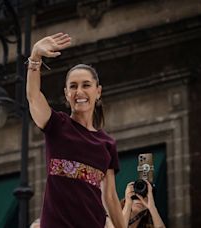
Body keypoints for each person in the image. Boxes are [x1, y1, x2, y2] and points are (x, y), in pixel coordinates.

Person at [26, 33, 129, 228]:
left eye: (86, 85)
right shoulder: (56, 125)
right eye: (73, 86)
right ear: (66, 94)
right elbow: (33, 97)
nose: (79, 92)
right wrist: (35, 57)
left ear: (98, 91)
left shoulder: (107, 144)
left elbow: (110, 198)